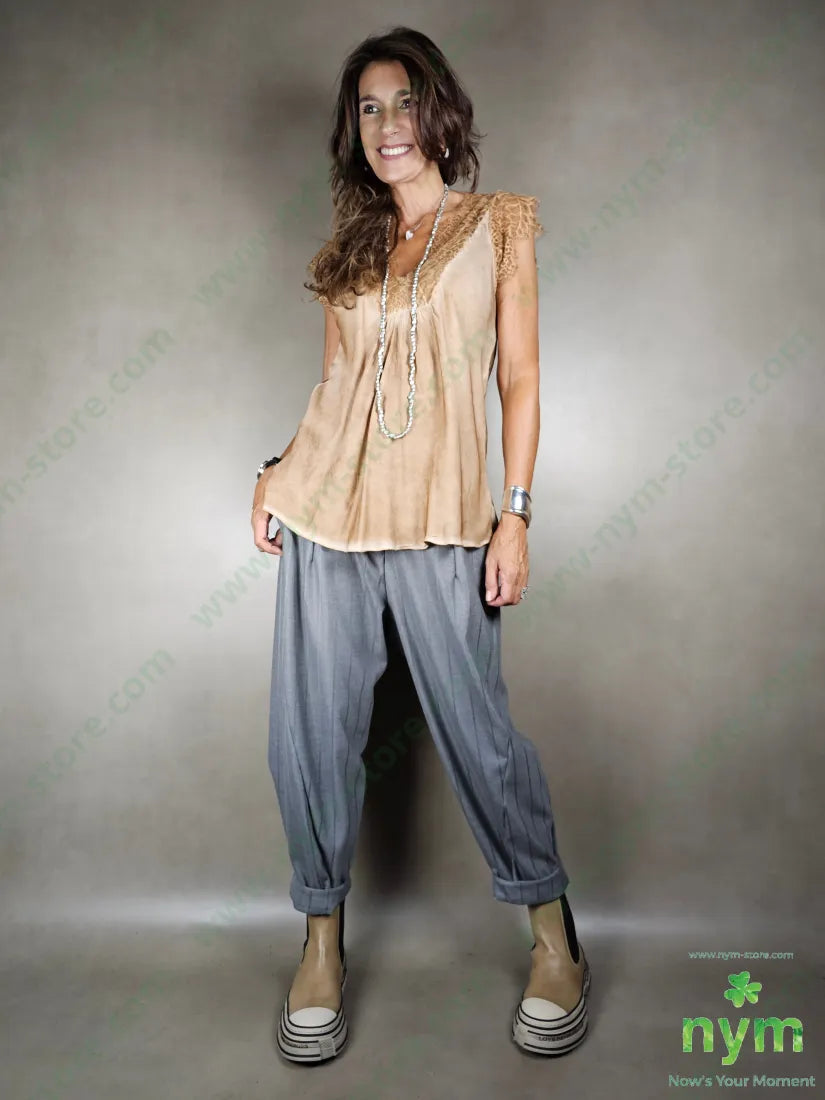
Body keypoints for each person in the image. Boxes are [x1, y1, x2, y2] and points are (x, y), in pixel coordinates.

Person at [250, 26, 591, 1064]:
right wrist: (276, 468)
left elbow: (519, 377)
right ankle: (321, 941)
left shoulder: (497, 225)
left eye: (402, 102)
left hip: (445, 515)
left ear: (438, 112)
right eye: (368, 108)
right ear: (353, 130)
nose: (386, 124)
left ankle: (554, 936)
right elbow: (334, 387)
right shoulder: (349, 247)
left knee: (477, 732)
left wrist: (516, 512)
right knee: (309, 733)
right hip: (328, 516)